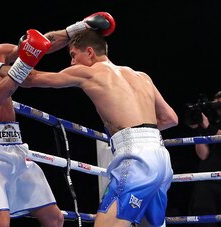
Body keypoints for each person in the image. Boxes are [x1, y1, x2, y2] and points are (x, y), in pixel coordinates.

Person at [0, 10, 115, 227]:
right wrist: (23, 64)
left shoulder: (1, 53)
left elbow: (41, 45)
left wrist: (80, 27)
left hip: (16, 147)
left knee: (55, 219)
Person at [21, 29, 179, 227]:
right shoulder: (141, 76)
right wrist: (132, 129)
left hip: (137, 160)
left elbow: (31, 79)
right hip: (161, 159)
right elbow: (170, 118)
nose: (71, 63)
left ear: (89, 52)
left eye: (73, 55)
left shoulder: (89, 72)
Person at [187, 91, 221, 227]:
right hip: (208, 178)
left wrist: (208, 127)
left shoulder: (211, 126)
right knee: (205, 219)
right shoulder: (212, 123)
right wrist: (200, 130)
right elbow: (203, 155)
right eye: (217, 104)